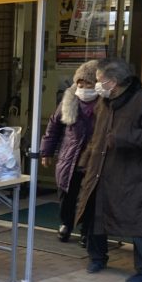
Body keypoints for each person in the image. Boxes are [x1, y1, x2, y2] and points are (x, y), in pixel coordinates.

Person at [76, 58, 142, 282]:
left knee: (140, 219)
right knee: (95, 212)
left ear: (113, 82)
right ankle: (97, 257)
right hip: (100, 168)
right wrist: (86, 159)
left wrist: (123, 138)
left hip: (134, 174)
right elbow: (97, 135)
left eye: (99, 80)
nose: (97, 85)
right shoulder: (105, 101)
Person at [39, 60, 99, 244]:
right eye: (80, 83)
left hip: (93, 158)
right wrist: (46, 152)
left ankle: (87, 230)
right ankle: (66, 223)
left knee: (90, 196)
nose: (83, 87)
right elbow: (54, 127)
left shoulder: (105, 103)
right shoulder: (69, 99)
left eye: (88, 83)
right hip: (70, 156)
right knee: (66, 193)